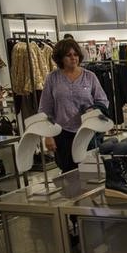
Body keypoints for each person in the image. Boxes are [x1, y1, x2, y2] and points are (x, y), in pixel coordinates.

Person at [39, 38, 109, 172]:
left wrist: (93, 110)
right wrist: (48, 135)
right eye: (69, 55)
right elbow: (45, 109)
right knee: (68, 172)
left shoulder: (90, 76)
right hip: (62, 134)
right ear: (60, 58)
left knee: (91, 171)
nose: (73, 58)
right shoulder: (52, 78)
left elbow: (103, 100)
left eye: (75, 54)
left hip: (88, 132)